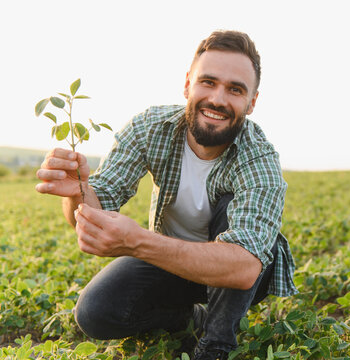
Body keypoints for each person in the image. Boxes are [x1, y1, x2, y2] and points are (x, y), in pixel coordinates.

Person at [35, 30, 297, 360]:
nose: (217, 99)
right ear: (188, 83)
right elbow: (97, 205)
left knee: (236, 218)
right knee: (94, 312)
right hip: (168, 260)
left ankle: (217, 344)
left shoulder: (258, 157)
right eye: (208, 82)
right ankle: (192, 319)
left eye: (235, 89)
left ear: (251, 102)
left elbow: (244, 267)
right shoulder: (150, 128)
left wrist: (138, 241)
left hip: (237, 274)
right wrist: (78, 191)